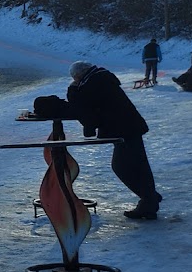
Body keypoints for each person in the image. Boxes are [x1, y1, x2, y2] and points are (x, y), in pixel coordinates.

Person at [67, 61, 162, 220]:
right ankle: (149, 201)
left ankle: (149, 199)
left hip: (124, 129)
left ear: (78, 75)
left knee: (122, 167)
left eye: (74, 78)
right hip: (129, 127)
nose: (74, 80)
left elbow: (82, 107)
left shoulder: (92, 83)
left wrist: (72, 89)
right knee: (138, 166)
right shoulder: (100, 78)